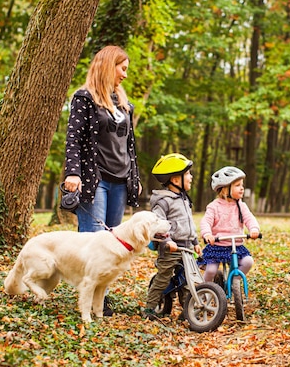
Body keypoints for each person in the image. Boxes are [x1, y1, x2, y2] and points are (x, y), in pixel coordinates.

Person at [63, 45, 142, 316]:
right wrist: (72, 172)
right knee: (93, 241)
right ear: (109, 65)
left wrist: (135, 176)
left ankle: (101, 296)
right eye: (123, 68)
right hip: (93, 180)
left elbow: (129, 145)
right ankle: (90, 297)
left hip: (120, 181)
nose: (125, 75)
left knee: (112, 243)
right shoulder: (84, 98)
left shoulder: (123, 103)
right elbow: (73, 139)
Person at [144, 153, 200, 320]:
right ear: (176, 180)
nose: (191, 177)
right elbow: (158, 223)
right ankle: (150, 308)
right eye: (188, 174)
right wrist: (167, 241)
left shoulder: (183, 199)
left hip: (187, 247)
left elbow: (189, 223)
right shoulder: (163, 200)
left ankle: (187, 311)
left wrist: (195, 241)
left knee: (187, 281)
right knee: (163, 278)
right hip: (171, 248)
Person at [199, 166, 260, 283]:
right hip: (217, 245)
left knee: (248, 262)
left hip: (235, 246)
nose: (242, 188)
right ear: (225, 189)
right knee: (211, 270)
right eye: (237, 185)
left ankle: (233, 282)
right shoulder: (214, 206)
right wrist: (207, 234)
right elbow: (206, 221)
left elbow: (249, 218)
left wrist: (254, 229)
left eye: (242, 185)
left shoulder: (241, 206)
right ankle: (204, 289)